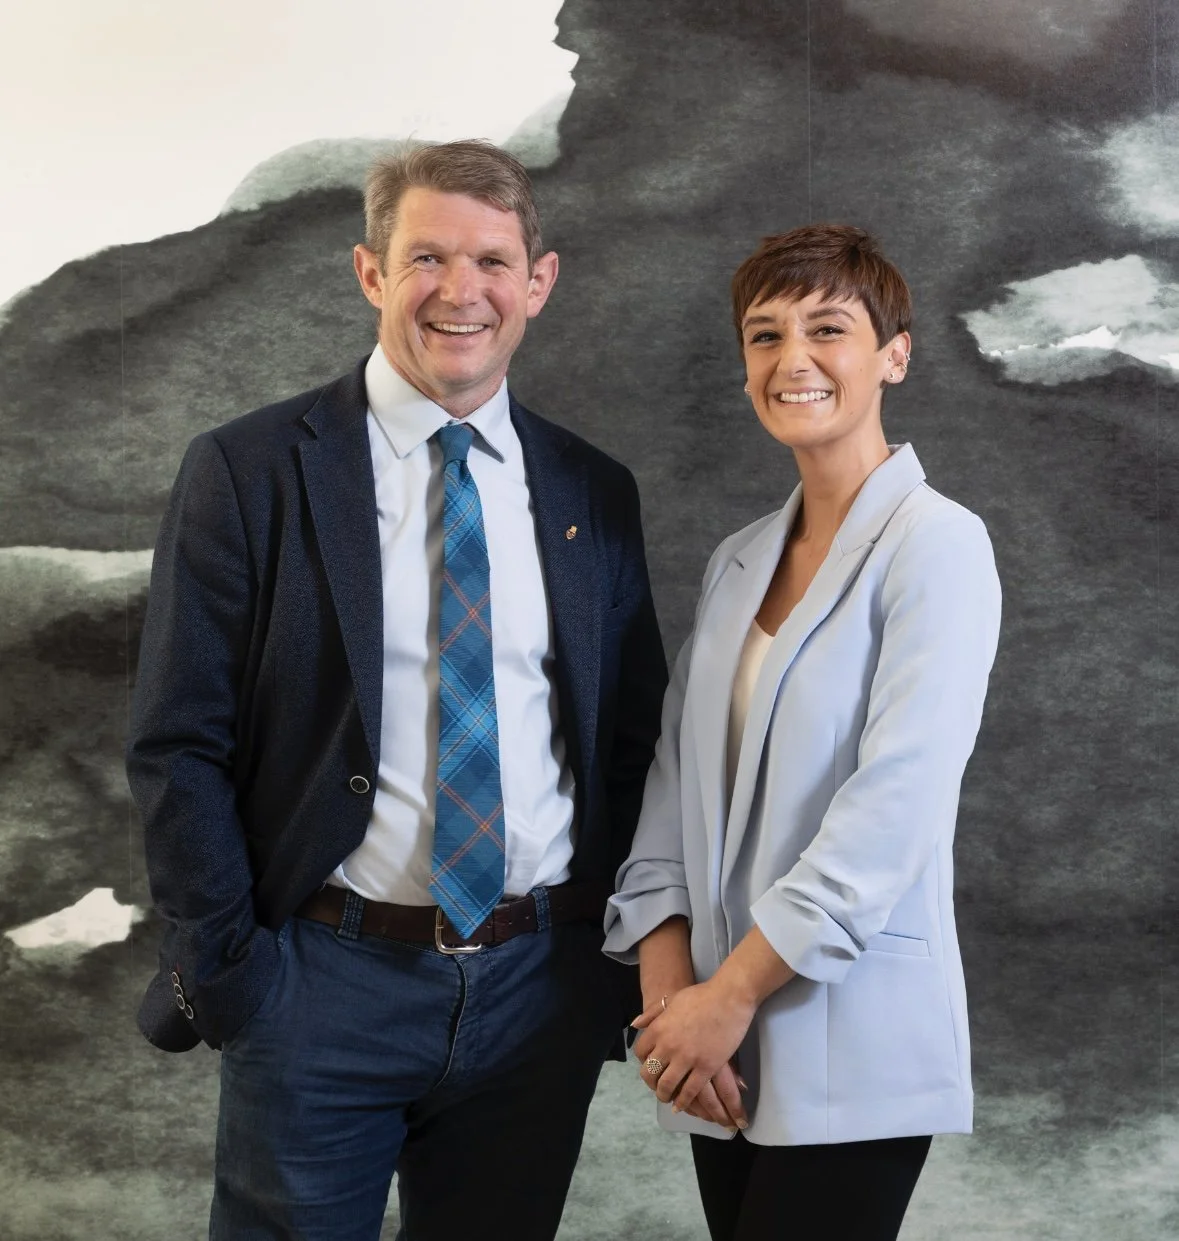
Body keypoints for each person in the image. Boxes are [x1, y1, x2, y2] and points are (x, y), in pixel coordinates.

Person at [127, 139, 667, 1241]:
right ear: (371, 273)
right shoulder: (251, 469)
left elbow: (630, 744)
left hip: (535, 995)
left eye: (491, 261)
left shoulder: (591, 491)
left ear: (538, 282)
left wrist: (597, 976)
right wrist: (235, 974)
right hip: (321, 985)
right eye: (426, 258)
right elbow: (178, 743)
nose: (460, 291)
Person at [603, 225, 1001, 1241]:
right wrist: (669, 1007)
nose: (793, 360)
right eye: (764, 334)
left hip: (847, 1030)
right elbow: (671, 783)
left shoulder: (939, 545)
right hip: (713, 1045)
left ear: (894, 354)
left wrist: (725, 997)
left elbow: (894, 806)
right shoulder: (738, 559)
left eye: (829, 328)